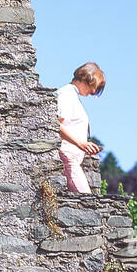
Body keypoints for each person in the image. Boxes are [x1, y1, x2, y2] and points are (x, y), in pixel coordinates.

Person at [57, 62, 105, 194]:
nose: (94, 91)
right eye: (94, 86)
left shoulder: (72, 95)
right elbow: (55, 125)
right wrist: (80, 143)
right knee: (86, 202)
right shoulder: (66, 94)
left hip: (72, 160)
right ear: (86, 78)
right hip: (68, 158)